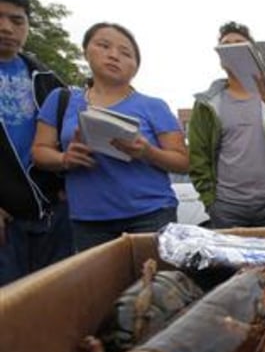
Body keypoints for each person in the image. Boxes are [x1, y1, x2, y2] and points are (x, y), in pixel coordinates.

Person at [32, 22, 189, 251]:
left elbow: (183, 162)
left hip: (151, 214)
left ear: (135, 67)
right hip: (88, 220)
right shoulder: (61, 100)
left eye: (126, 53)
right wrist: (65, 159)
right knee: (99, 286)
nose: (114, 55)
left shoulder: (153, 106)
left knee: (155, 283)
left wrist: (148, 152)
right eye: (104, 46)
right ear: (86, 51)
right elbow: (38, 151)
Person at [0, 0, 72, 286]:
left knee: (57, 300)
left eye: (17, 20)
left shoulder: (47, 78)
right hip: (6, 219)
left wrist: (69, 184)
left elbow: (69, 135)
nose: (6, 27)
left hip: (54, 214)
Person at [188, 22, 265, 229]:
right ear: (219, 57)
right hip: (227, 207)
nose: (232, 49)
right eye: (225, 45)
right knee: (229, 263)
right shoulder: (207, 104)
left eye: (239, 44)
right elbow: (198, 158)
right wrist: (211, 202)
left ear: (253, 53)